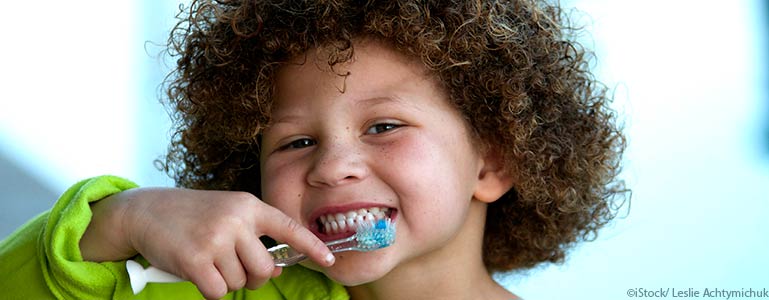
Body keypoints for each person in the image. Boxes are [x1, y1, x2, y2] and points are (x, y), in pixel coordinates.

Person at [0, 0, 627, 299]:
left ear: (492, 162)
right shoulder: (217, 291)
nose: (331, 167)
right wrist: (122, 218)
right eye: (296, 142)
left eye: (384, 127)